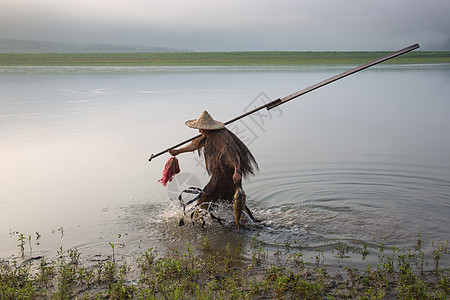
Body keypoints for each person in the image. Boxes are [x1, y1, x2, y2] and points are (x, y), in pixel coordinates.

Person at [169, 110, 258, 213]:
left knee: (206, 198)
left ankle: (210, 219)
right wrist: (178, 151)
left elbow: (234, 154)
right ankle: (231, 221)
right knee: (226, 201)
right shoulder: (208, 134)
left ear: (207, 128)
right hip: (222, 172)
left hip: (227, 173)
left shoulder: (221, 136)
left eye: (200, 128)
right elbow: (194, 145)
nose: (199, 131)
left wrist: (237, 171)